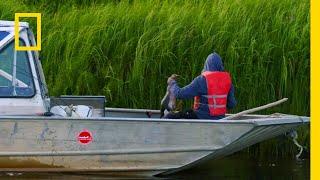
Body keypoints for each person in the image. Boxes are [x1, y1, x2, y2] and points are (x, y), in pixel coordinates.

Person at [165, 52, 236, 119]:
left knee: (169, 116)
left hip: (201, 117)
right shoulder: (227, 81)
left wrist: (172, 83)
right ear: (220, 65)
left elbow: (180, 94)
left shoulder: (202, 80)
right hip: (220, 119)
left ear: (206, 65)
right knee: (188, 111)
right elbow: (232, 104)